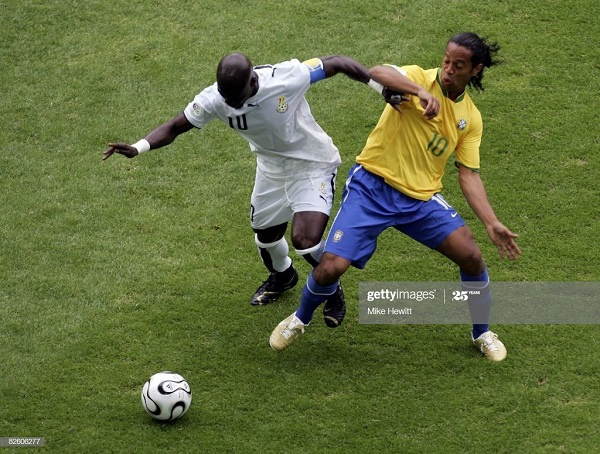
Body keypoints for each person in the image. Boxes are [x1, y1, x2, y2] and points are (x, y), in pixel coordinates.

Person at [270, 32, 522, 361]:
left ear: (474, 70)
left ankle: (482, 334)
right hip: (372, 188)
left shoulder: (469, 119)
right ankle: (299, 320)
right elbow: (377, 71)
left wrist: (491, 222)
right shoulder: (418, 78)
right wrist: (416, 91)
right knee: (332, 266)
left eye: (458, 65)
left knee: (472, 256)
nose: (447, 69)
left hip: (420, 201)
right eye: (446, 60)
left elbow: (468, 174)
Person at [103, 53, 399, 328]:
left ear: (253, 82)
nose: (230, 104)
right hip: (271, 171)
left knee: (305, 241)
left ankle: (328, 287)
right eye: (226, 97)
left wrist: (379, 88)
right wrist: (138, 147)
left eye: (236, 97)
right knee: (266, 236)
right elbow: (176, 126)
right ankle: (283, 278)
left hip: (312, 165)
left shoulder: (286, 77)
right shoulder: (215, 98)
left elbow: (337, 62)